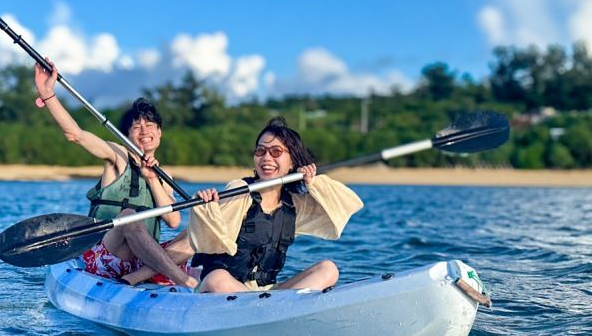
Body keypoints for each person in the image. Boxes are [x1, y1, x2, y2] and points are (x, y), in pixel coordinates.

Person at [34, 59, 197, 288]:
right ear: (127, 134)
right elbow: (76, 135)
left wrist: (151, 178)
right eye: (136, 126)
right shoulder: (118, 155)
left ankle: (139, 277)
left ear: (159, 132)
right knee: (129, 215)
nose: (144, 131)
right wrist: (47, 93)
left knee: (198, 231)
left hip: (141, 263)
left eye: (150, 125)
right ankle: (185, 281)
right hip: (107, 257)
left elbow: (173, 220)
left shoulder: (162, 173)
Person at [188, 117, 364, 293]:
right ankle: (266, 311)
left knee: (328, 269)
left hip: (266, 293)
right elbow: (209, 243)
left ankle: (271, 310)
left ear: (292, 162)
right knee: (217, 278)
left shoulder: (293, 204)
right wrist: (206, 208)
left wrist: (314, 183)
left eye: (276, 152)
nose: (266, 158)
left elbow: (347, 205)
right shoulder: (240, 190)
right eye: (260, 151)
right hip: (223, 289)